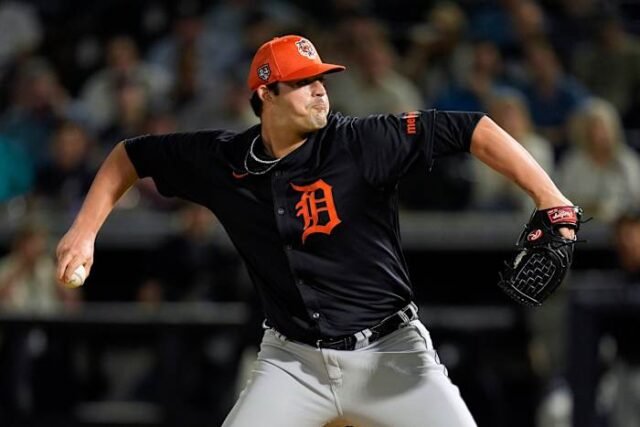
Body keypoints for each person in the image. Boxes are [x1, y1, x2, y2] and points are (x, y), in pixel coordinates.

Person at [56, 34, 576, 426]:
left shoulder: (361, 143)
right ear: (266, 93)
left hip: (391, 353)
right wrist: (84, 231)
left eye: (321, 78)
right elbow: (131, 156)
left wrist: (551, 198)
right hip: (292, 360)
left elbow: (471, 128)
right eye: (304, 82)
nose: (320, 90)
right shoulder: (223, 159)